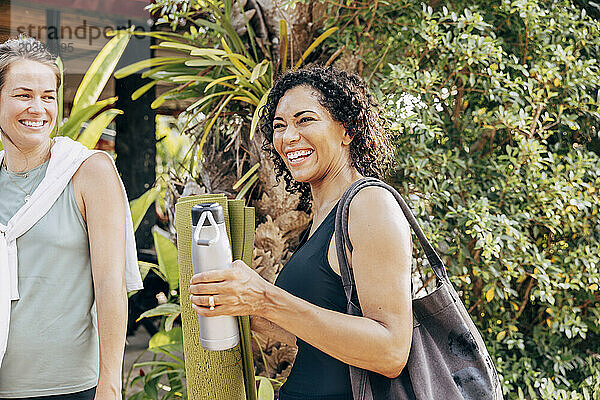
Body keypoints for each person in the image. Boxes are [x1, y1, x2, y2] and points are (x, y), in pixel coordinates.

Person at [190, 66, 413, 400]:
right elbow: (323, 337)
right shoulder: (322, 215)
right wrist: (248, 310)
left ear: (347, 129)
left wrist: (265, 298)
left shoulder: (369, 204)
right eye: (279, 126)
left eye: (305, 120)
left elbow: (390, 352)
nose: (288, 137)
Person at [0, 36, 142, 400]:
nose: (38, 107)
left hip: (71, 387)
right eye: (23, 95)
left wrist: (110, 385)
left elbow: (110, 285)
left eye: (48, 96)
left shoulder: (87, 171)